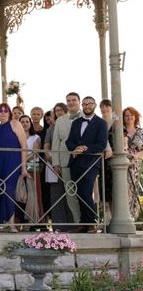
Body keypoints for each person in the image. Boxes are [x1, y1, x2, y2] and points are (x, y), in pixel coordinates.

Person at [66, 96, 108, 232]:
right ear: (82, 106)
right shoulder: (76, 122)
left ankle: (92, 222)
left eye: (90, 103)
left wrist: (84, 149)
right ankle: (84, 223)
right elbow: (69, 141)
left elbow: (101, 144)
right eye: (84, 104)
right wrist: (75, 148)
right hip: (75, 163)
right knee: (79, 193)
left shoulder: (101, 123)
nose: (87, 106)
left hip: (91, 164)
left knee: (85, 192)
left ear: (94, 105)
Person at [0, 102, 28, 232]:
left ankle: (12, 223)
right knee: (2, 189)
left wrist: (23, 167)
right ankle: (5, 222)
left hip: (13, 161)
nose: (3, 113)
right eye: (0, 111)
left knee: (9, 189)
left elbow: (24, 146)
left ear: (9, 113)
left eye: (5, 111)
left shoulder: (15, 124)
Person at [51, 92, 83, 227]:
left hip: (84, 160)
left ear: (79, 101)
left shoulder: (88, 117)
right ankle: (78, 222)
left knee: (85, 192)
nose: (71, 103)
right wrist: (56, 162)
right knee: (70, 193)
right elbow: (55, 143)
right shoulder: (60, 120)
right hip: (65, 161)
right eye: (68, 100)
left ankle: (90, 221)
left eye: (73, 100)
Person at [44, 103, 72, 230]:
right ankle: (59, 225)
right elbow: (47, 144)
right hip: (54, 163)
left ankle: (73, 224)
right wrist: (50, 157)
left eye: (61, 110)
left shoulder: (73, 122)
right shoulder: (51, 128)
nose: (59, 112)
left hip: (70, 163)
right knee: (56, 195)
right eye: (56, 111)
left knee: (71, 194)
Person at [18, 115, 43, 227]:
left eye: (27, 121)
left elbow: (35, 153)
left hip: (32, 168)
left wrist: (22, 160)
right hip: (18, 168)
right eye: (22, 122)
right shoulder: (16, 137)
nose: (24, 124)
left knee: (33, 193)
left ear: (30, 123)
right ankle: (19, 221)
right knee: (20, 193)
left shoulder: (35, 137)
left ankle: (33, 221)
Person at [124, 107, 143, 220]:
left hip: (133, 165)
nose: (129, 117)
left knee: (132, 190)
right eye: (126, 115)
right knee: (121, 190)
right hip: (120, 163)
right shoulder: (120, 130)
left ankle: (131, 218)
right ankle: (120, 217)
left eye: (131, 115)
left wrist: (136, 156)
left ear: (135, 117)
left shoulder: (140, 132)